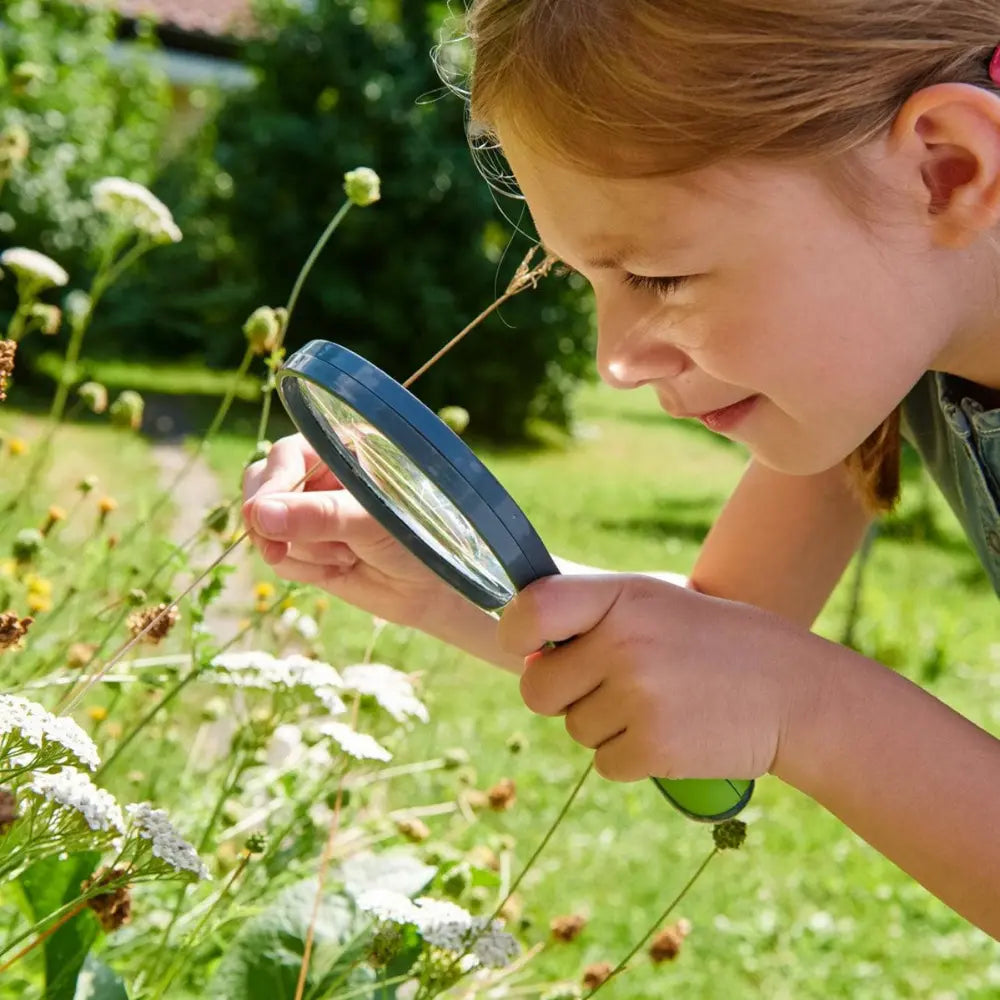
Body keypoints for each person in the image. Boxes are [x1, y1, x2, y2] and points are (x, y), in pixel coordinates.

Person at [243, 1, 1000, 938]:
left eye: (660, 276)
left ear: (947, 170)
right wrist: (451, 579)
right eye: (587, 277)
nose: (615, 361)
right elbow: (724, 636)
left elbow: (764, 671)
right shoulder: (892, 350)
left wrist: (809, 704)